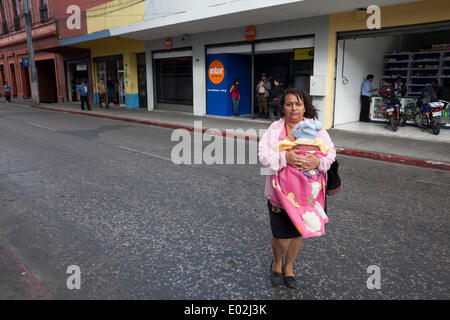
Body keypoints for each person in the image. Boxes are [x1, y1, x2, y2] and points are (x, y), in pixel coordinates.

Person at [258, 88, 336, 289]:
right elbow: (263, 156)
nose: (294, 108)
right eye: (289, 104)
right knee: (281, 236)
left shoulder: (316, 129)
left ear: (305, 106)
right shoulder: (275, 130)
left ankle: (289, 266)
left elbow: (330, 153)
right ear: (282, 108)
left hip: (310, 195)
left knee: (298, 233)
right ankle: (277, 262)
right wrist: (285, 157)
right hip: (280, 194)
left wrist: (316, 163)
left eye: (298, 104)